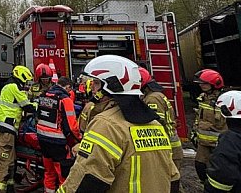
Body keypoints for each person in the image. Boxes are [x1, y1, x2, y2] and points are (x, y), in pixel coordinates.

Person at [60, 55, 180, 193]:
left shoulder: (106, 125)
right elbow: (173, 177)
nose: (92, 88)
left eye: (97, 83)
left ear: (111, 87)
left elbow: (87, 180)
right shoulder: (155, 125)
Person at [0, 65, 36, 193]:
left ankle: (9, 186)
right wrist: (39, 105)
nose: (25, 83)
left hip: (9, 129)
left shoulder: (10, 86)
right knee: (4, 161)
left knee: (11, 160)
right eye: (25, 80)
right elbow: (27, 105)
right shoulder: (13, 87)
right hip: (6, 129)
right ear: (21, 77)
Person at [34, 77, 81, 193]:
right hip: (58, 143)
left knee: (49, 172)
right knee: (62, 175)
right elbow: (72, 126)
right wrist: (79, 139)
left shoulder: (43, 95)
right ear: (68, 87)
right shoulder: (65, 99)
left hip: (42, 139)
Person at [139, 67, 183, 182]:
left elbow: (155, 123)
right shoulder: (153, 95)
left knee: (169, 183)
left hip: (169, 147)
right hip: (169, 146)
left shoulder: (153, 98)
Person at [192, 69, 227, 183]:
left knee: (221, 171)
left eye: (205, 83)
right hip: (203, 143)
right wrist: (195, 133)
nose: (202, 86)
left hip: (220, 143)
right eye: (201, 83)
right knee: (200, 166)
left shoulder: (224, 100)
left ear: (215, 84)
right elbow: (199, 116)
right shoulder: (203, 97)